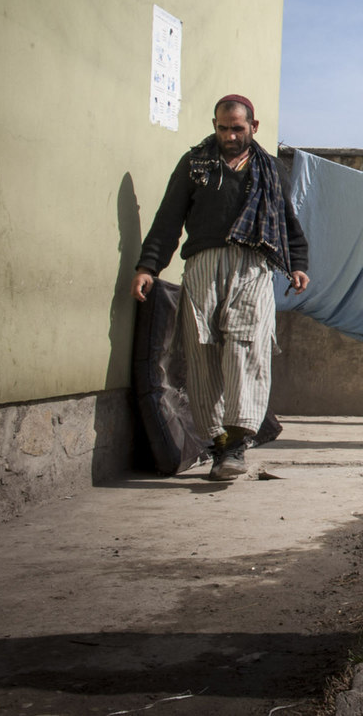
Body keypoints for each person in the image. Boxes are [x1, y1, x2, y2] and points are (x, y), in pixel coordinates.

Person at [132, 94, 310, 481]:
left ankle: (238, 442)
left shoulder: (270, 170)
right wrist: (149, 265)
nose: (230, 135)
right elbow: (168, 217)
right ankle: (216, 443)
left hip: (252, 268)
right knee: (202, 353)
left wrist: (298, 264)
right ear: (215, 126)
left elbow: (288, 222)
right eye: (223, 128)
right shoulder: (195, 165)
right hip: (202, 266)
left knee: (247, 348)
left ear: (254, 127)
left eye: (238, 128)